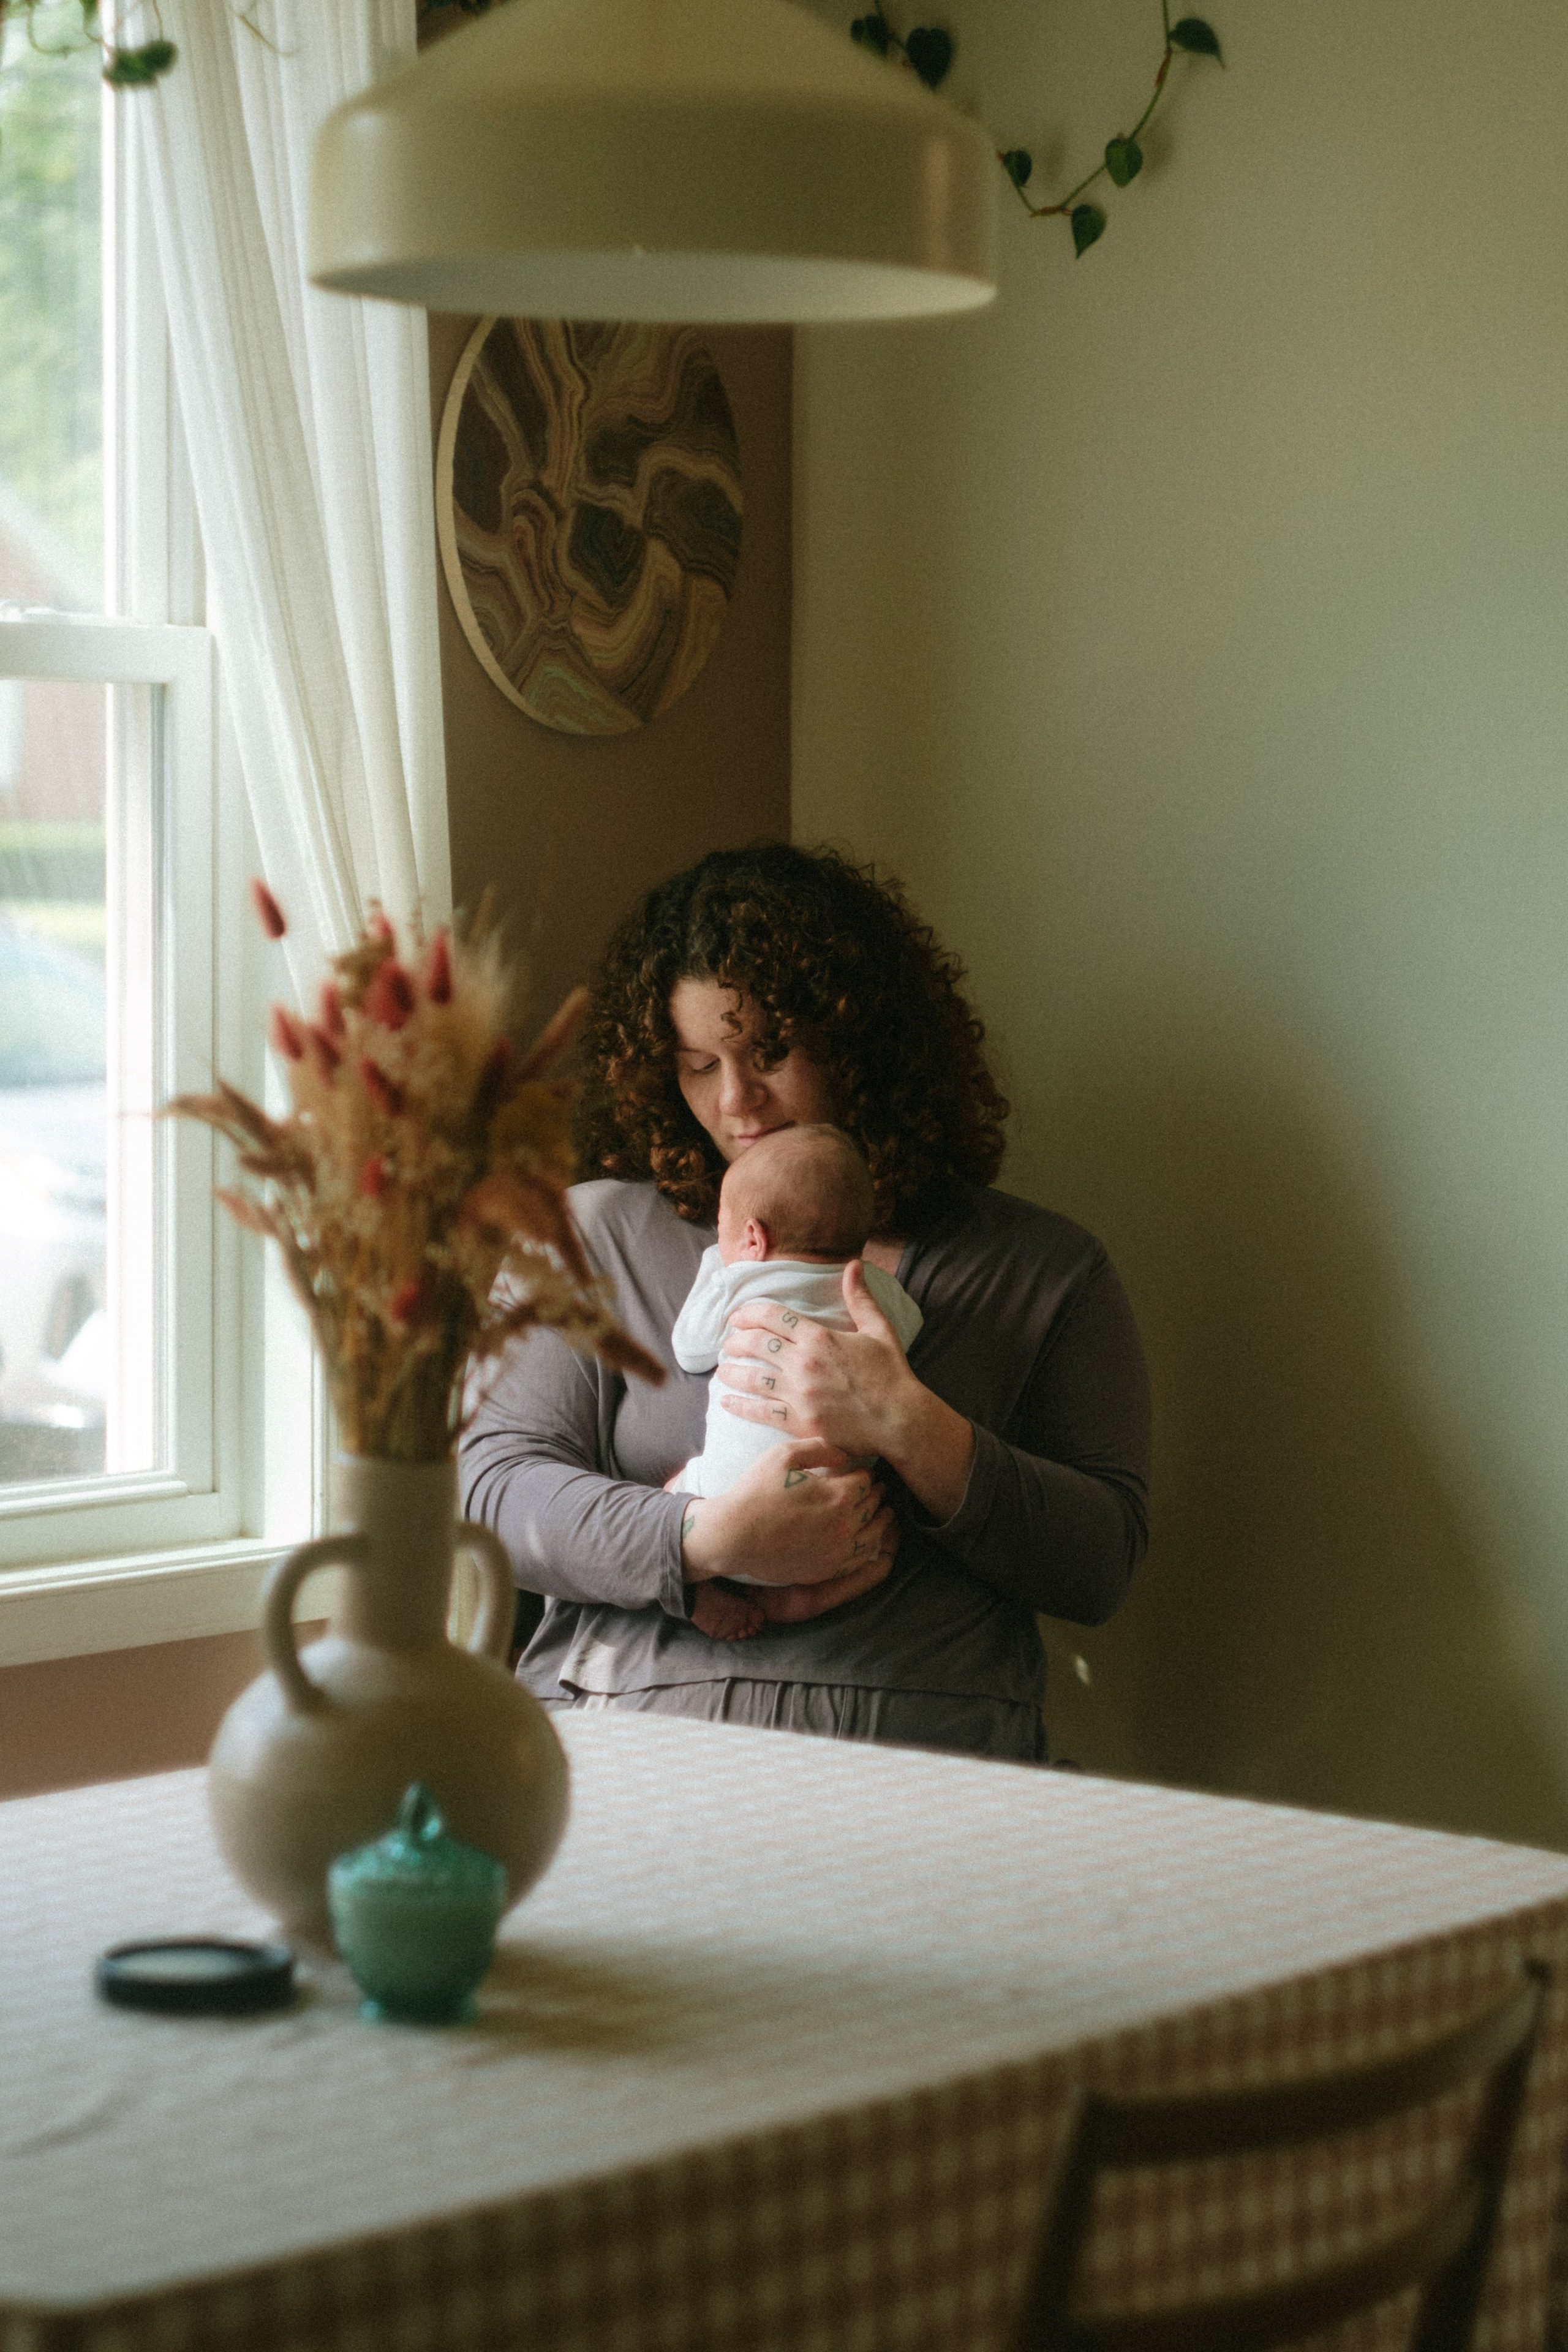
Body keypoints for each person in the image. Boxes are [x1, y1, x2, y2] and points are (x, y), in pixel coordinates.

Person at [460, 842, 1152, 1763]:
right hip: (628, 1737)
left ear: (858, 1039)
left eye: (770, 1053)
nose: (737, 1101)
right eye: (698, 1064)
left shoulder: (1038, 1269)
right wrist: (704, 1538)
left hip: (927, 1763)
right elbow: (495, 1491)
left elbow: (1098, 1563)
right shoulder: (598, 1237)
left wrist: (913, 1427)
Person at [668, 1123, 924, 1643]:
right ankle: (805, 1598)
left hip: (727, 1510)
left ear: (754, 1238)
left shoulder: (739, 1279)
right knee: (887, 1547)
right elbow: (912, 1327)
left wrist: (715, 1265)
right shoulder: (874, 1287)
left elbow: (690, 1349)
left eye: (723, 1230)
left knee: (671, 1501)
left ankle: (695, 1593)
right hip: (838, 1527)